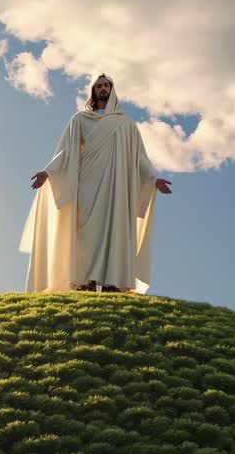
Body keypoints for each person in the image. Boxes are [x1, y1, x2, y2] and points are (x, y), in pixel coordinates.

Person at [20, 74, 172, 293]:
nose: (102, 89)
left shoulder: (126, 124)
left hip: (116, 188)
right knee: (86, 233)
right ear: (93, 91)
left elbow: (139, 157)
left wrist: (153, 178)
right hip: (87, 183)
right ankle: (85, 282)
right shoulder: (80, 119)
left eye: (106, 85)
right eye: (98, 86)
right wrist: (48, 172)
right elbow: (66, 150)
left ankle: (113, 282)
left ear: (112, 89)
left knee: (114, 229)